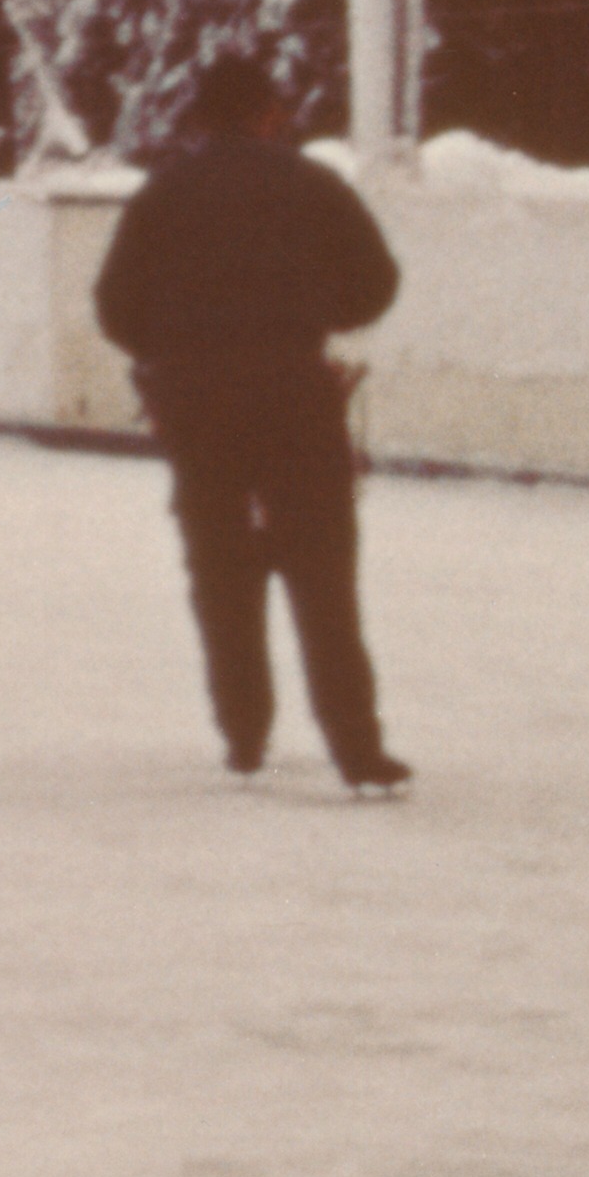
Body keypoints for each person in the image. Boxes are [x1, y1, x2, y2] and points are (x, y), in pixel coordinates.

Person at [90, 51, 413, 792]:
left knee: (220, 565)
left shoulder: (163, 194)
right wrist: (308, 316)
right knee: (322, 566)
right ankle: (357, 748)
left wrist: (173, 350)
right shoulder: (313, 185)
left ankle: (243, 733)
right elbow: (376, 284)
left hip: (197, 401)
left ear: (201, 117)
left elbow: (115, 305)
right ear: (270, 113)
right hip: (296, 390)